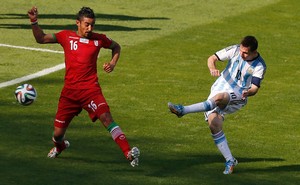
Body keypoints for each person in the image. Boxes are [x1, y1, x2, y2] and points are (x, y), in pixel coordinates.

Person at [27, 6, 140, 167]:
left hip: (91, 91)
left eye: (92, 25)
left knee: (107, 118)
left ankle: (128, 153)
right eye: (86, 24)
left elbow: (116, 47)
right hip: (69, 94)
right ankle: (60, 145)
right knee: (57, 134)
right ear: (77, 23)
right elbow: (41, 38)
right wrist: (34, 21)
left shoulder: (99, 39)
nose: (90, 28)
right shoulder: (66, 36)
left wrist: (113, 63)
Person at [168, 36, 266, 174]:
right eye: (241, 50)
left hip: (239, 93)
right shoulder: (235, 50)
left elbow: (255, 88)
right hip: (219, 86)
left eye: (245, 53)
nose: (241, 54)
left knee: (219, 98)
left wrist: (248, 92)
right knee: (214, 124)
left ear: (253, 52)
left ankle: (183, 110)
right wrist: (212, 68)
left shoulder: (259, 65)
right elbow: (211, 58)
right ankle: (230, 160)